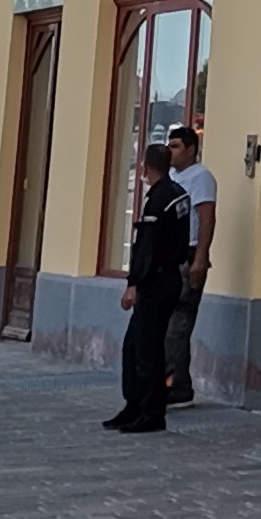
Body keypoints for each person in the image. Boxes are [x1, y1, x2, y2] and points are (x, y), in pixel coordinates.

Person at [105, 141, 191, 434]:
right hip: (169, 277)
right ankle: (135, 406)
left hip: (157, 281)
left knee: (146, 350)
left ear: (147, 167)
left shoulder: (159, 199)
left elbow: (148, 248)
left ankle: (151, 413)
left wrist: (134, 284)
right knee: (135, 346)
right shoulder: (178, 194)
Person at [158, 119, 219, 410]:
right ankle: (170, 382)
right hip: (168, 258)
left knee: (178, 327)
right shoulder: (170, 176)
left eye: (175, 146)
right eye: (168, 146)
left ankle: (177, 388)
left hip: (188, 255)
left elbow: (206, 218)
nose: (170, 151)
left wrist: (201, 258)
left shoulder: (200, 177)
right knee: (165, 325)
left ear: (191, 149)